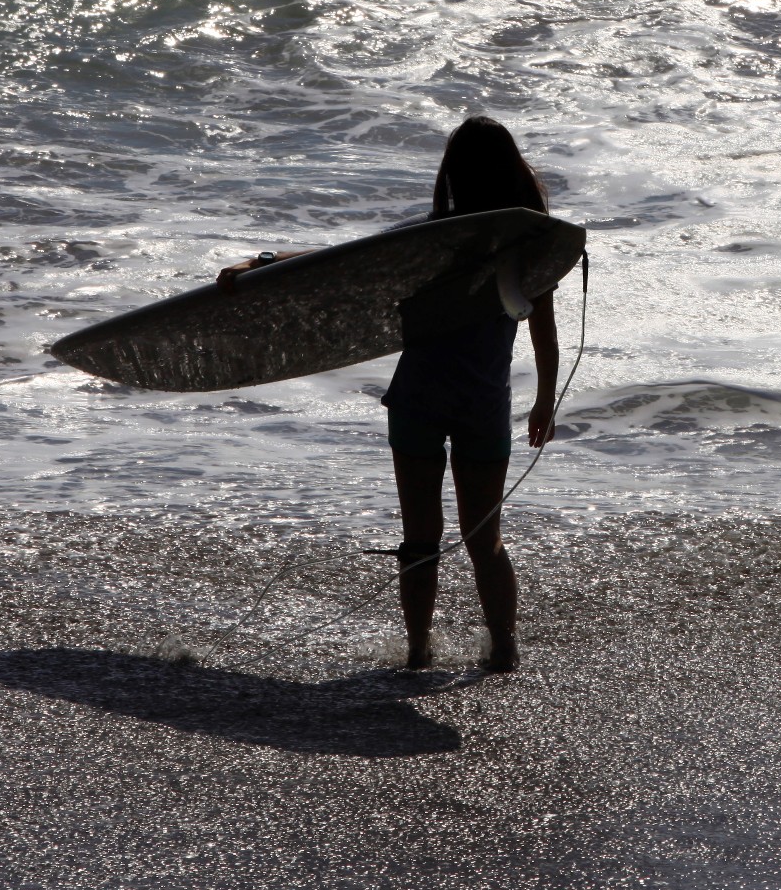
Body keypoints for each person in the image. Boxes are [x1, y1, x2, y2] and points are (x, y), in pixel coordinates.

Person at [218, 116, 560, 673]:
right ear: (511, 170)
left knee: (420, 539)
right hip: (483, 407)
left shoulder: (429, 240)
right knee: (485, 540)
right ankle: (503, 648)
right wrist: (544, 401)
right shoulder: (529, 249)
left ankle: (419, 653)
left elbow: (337, 264)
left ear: (453, 172)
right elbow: (544, 334)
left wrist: (259, 262)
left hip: (419, 401)